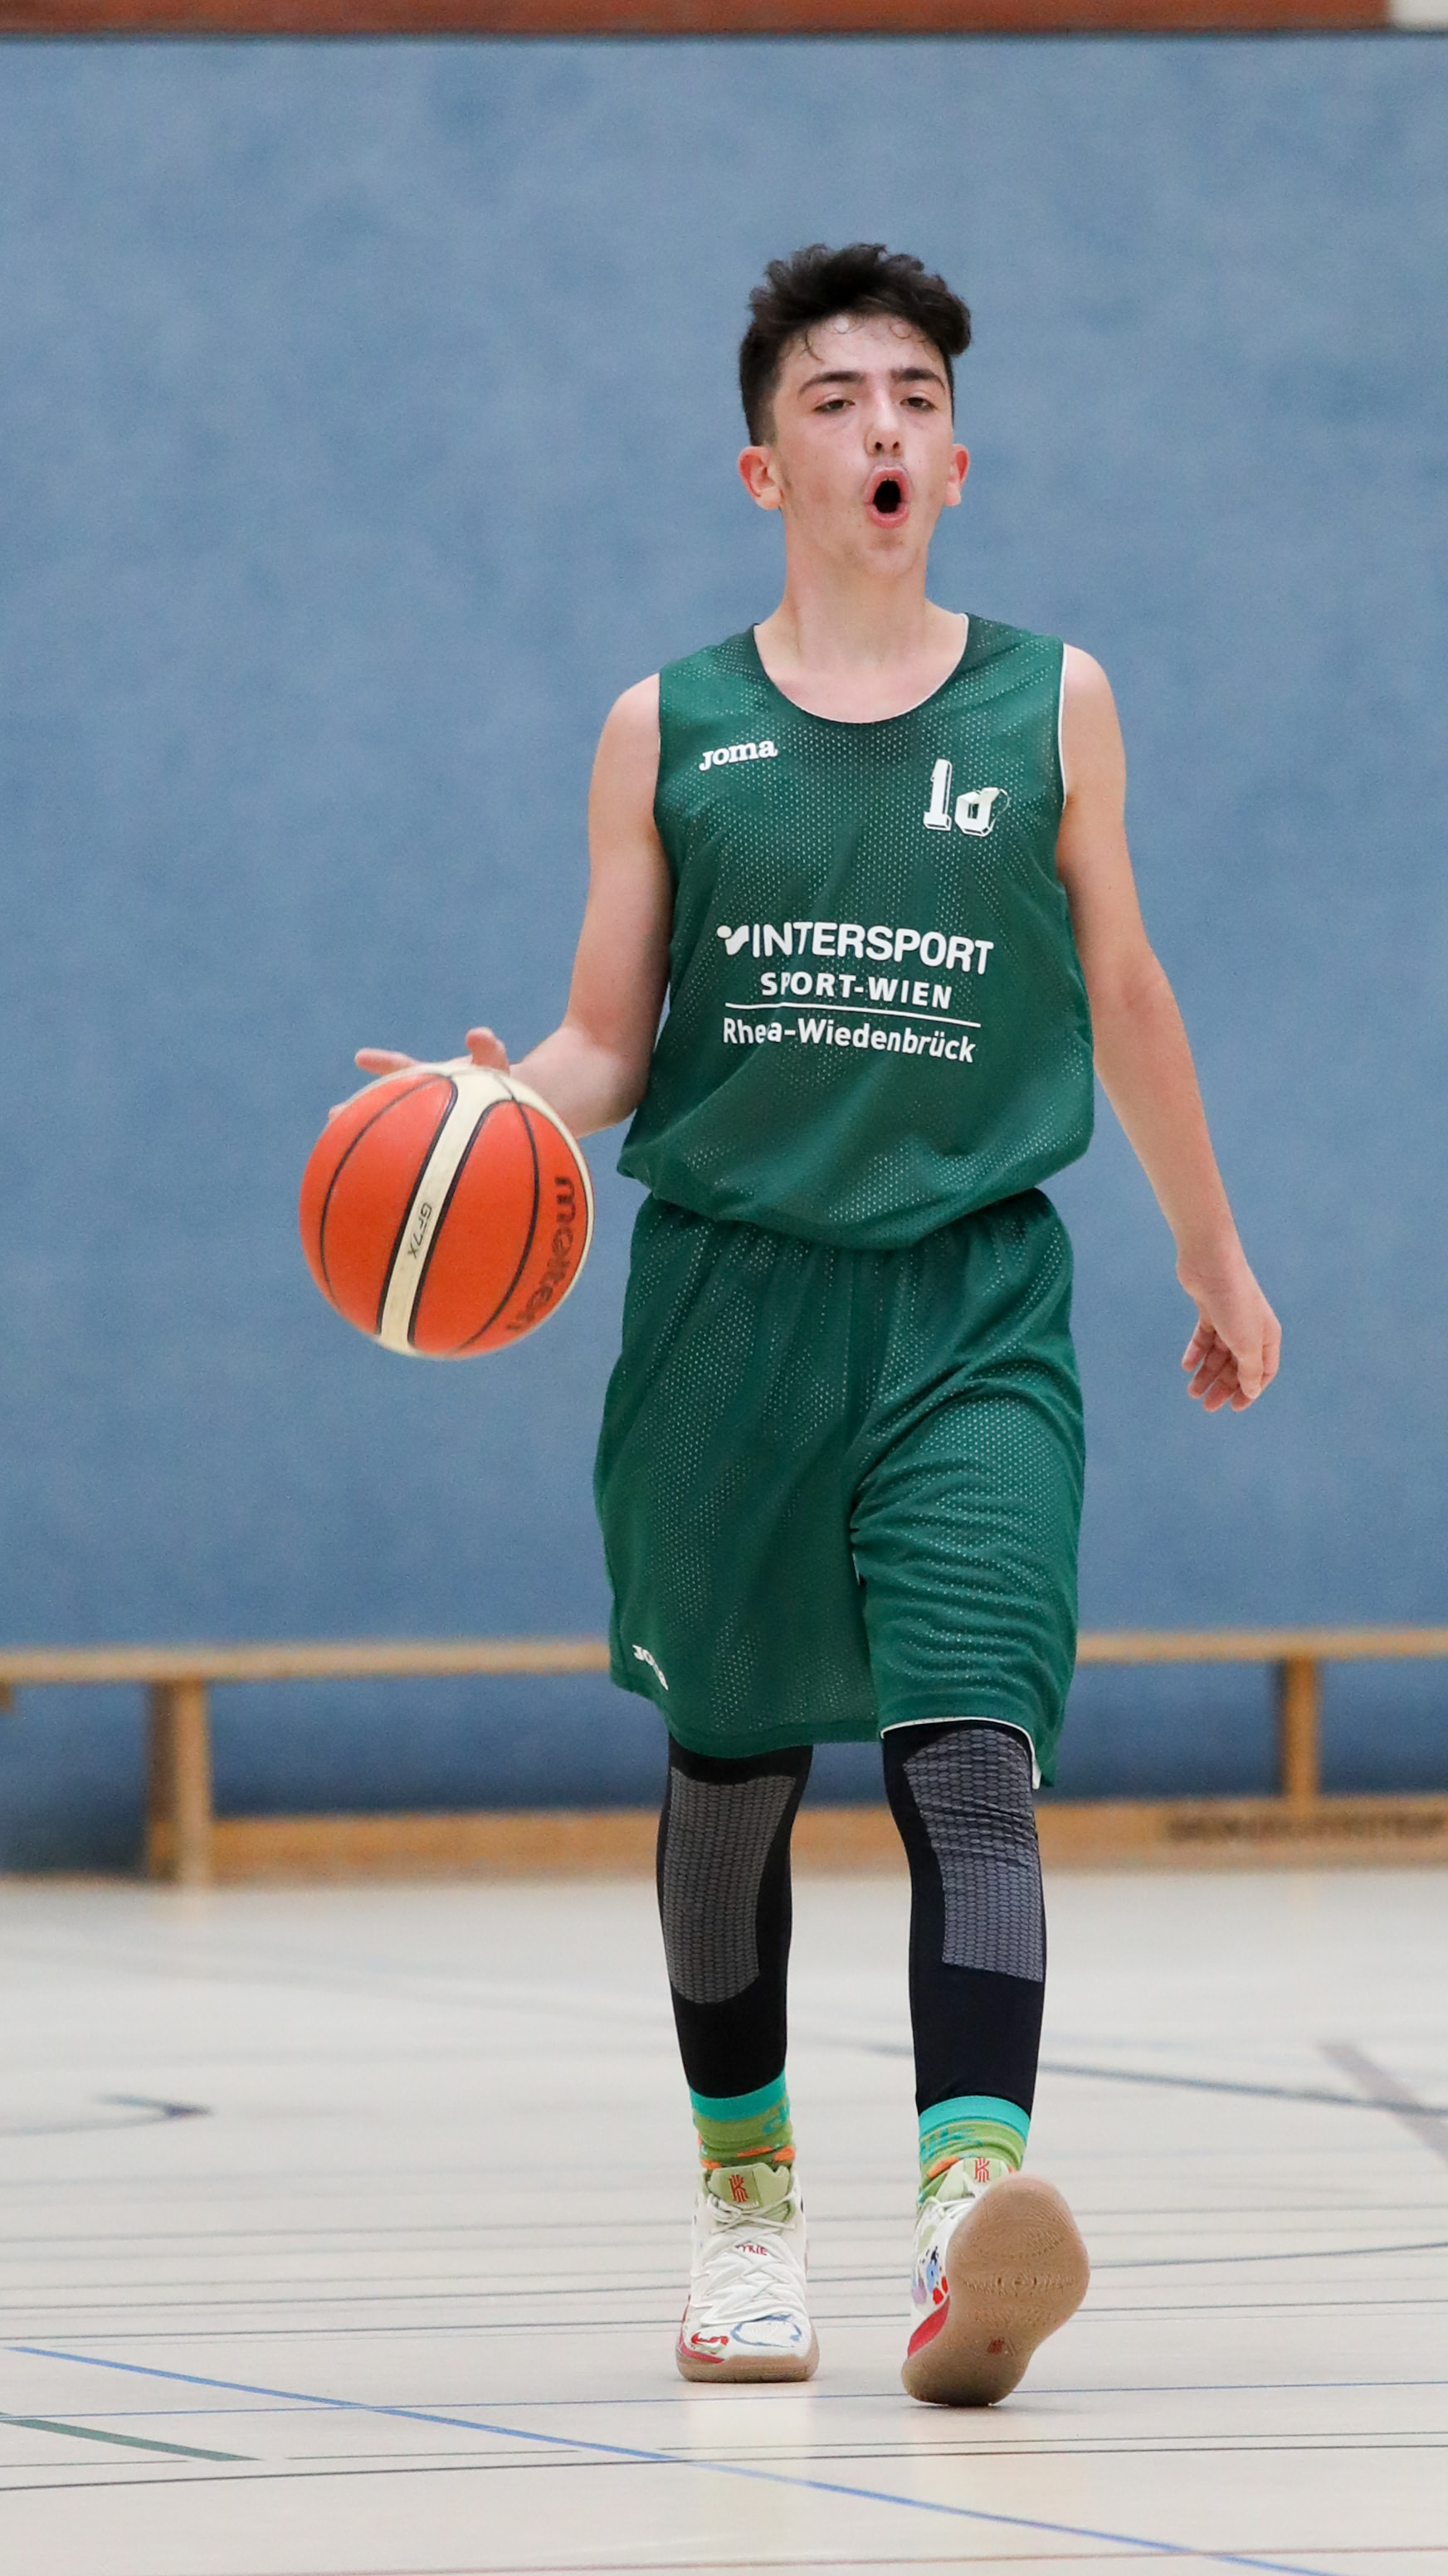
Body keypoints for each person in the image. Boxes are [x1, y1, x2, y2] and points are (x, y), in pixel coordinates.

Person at [355, 242, 1280, 2405]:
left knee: (974, 1752)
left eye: (916, 398)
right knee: (732, 1774)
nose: (883, 426)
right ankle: (747, 2205)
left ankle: (970, 2213)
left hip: (971, 1302)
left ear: (957, 461)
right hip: (730, 1308)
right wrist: (493, 1114)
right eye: (837, 397)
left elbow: (1127, 991)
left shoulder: (1052, 701)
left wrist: (1212, 1255)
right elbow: (608, 1036)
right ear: (763, 464)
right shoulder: (664, 728)